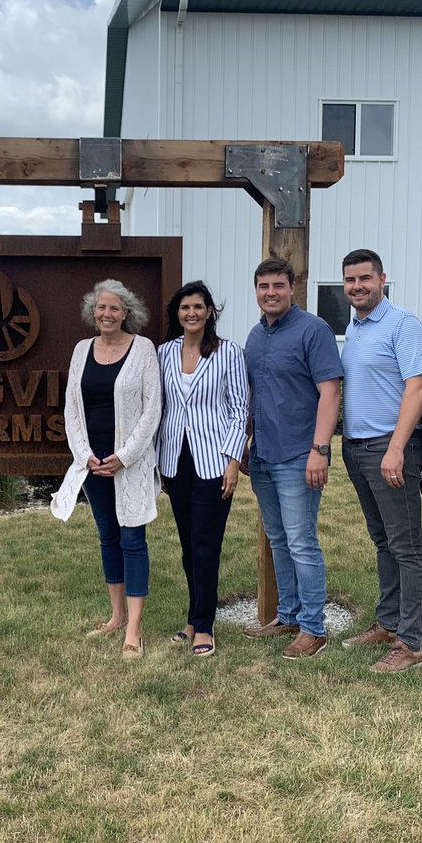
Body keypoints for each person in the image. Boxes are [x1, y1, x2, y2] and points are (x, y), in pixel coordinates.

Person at [51, 279, 162, 659]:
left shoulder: (143, 349)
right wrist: (84, 455)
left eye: (114, 308)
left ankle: (134, 628)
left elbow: (152, 410)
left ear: (126, 312)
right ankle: (116, 617)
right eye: (101, 307)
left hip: (128, 463)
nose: (107, 314)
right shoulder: (81, 350)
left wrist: (124, 456)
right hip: (93, 464)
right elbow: (71, 408)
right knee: (108, 536)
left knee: (133, 540)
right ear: (92, 311)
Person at [243, 259, 343, 660]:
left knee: (302, 542)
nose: (271, 293)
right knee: (279, 539)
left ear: (292, 288)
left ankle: (314, 629)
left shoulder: (313, 330)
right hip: (262, 455)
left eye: (278, 286)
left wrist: (320, 449)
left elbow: (330, 392)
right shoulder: (255, 336)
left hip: (299, 455)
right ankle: (288, 615)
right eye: (263, 286)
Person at [339, 248, 422, 673]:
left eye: (365, 278)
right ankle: (388, 622)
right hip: (357, 448)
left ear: (382, 279)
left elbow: (418, 387)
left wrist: (396, 447)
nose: (357, 286)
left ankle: (409, 642)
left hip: (391, 448)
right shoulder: (355, 327)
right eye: (350, 280)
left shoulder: (402, 324)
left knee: (407, 546)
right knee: (383, 541)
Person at [156, 281, 249, 658]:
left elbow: (240, 410)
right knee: (187, 545)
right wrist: (158, 461)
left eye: (198, 306)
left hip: (214, 461)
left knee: (205, 544)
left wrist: (233, 461)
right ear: (177, 314)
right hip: (175, 458)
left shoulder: (228, 352)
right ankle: (193, 619)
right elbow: (161, 407)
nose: (191, 313)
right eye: (185, 307)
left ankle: (205, 625)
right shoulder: (164, 352)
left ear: (210, 311)